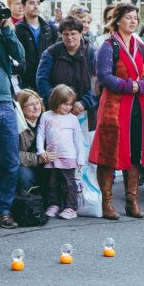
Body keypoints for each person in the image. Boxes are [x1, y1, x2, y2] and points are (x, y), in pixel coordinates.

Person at [89, 3, 144, 220]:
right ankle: (107, 202)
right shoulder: (109, 46)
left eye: (136, 17)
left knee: (134, 151)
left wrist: (143, 85)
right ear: (118, 20)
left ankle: (132, 201)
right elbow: (104, 76)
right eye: (128, 17)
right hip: (114, 106)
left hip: (137, 106)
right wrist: (131, 86)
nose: (133, 21)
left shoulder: (142, 47)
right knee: (109, 153)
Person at [36, 16, 97, 133]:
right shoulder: (51, 53)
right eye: (65, 34)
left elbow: (98, 83)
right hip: (57, 112)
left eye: (73, 33)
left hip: (86, 113)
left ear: (80, 33)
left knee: (84, 149)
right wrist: (58, 102)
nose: (69, 37)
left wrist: (84, 103)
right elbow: (42, 80)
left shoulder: (92, 53)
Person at [36, 85, 84, 220]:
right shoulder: (46, 116)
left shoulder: (73, 119)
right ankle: (54, 204)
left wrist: (80, 159)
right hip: (52, 156)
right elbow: (41, 134)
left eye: (70, 104)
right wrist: (40, 151)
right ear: (56, 101)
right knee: (52, 182)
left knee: (69, 183)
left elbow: (78, 140)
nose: (68, 107)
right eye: (65, 104)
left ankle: (71, 208)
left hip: (69, 156)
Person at [0, 12, 25, 229]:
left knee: (10, 161)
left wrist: (6, 28)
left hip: (5, 101)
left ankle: (2, 210)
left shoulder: (2, 29)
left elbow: (20, 55)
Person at [15, 0, 58, 90]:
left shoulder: (50, 29)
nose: (36, 6)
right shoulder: (18, 29)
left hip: (48, 80)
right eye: (31, 3)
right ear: (23, 6)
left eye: (38, 3)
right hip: (27, 81)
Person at [16, 89, 56, 191]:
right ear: (20, 107)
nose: (36, 107)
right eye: (30, 104)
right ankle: (27, 202)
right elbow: (12, 154)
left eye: (37, 102)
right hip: (23, 165)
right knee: (24, 175)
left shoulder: (46, 120)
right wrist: (38, 158)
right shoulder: (15, 126)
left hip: (41, 163)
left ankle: (53, 202)